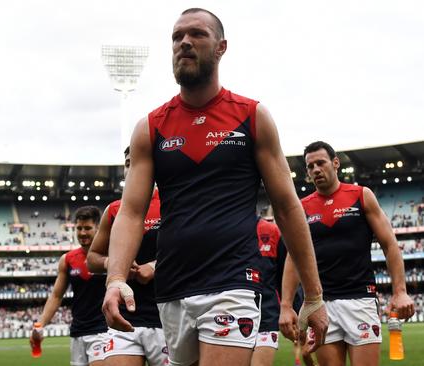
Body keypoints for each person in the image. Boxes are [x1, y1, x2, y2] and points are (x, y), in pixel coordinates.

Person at [101, 8, 328, 366]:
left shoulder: (252, 116)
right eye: (177, 37)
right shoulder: (150, 127)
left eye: (196, 34)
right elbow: (131, 212)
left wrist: (313, 296)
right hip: (173, 287)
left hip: (233, 279)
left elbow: (286, 208)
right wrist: (115, 278)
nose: (185, 43)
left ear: (221, 47)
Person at [279, 141, 415, 366]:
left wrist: (399, 291)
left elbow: (390, 244)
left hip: (360, 300)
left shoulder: (361, 195)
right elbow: (294, 257)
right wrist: (285, 305)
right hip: (322, 304)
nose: (315, 170)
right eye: (310, 166)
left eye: (320, 163)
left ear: (335, 163)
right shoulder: (301, 207)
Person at [86, 147, 168, 366]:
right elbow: (92, 258)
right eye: (127, 163)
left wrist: (155, 266)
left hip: (168, 318)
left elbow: (193, 251)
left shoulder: (172, 203)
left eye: (137, 161)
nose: (131, 168)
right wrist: (114, 263)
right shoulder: (114, 210)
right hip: (125, 318)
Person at [31, 206, 108, 366]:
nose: (82, 232)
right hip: (77, 332)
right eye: (79, 228)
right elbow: (56, 296)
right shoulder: (67, 259)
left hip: (105, 331)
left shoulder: (111, 255)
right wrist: (40, 325)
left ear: (98, 228)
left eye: (88, 228)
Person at [251, 216, 282, 366]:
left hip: (267, 316)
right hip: (230, 314)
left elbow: (284, 277)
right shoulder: (225, 230)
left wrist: (291, 308)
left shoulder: (271, 231)